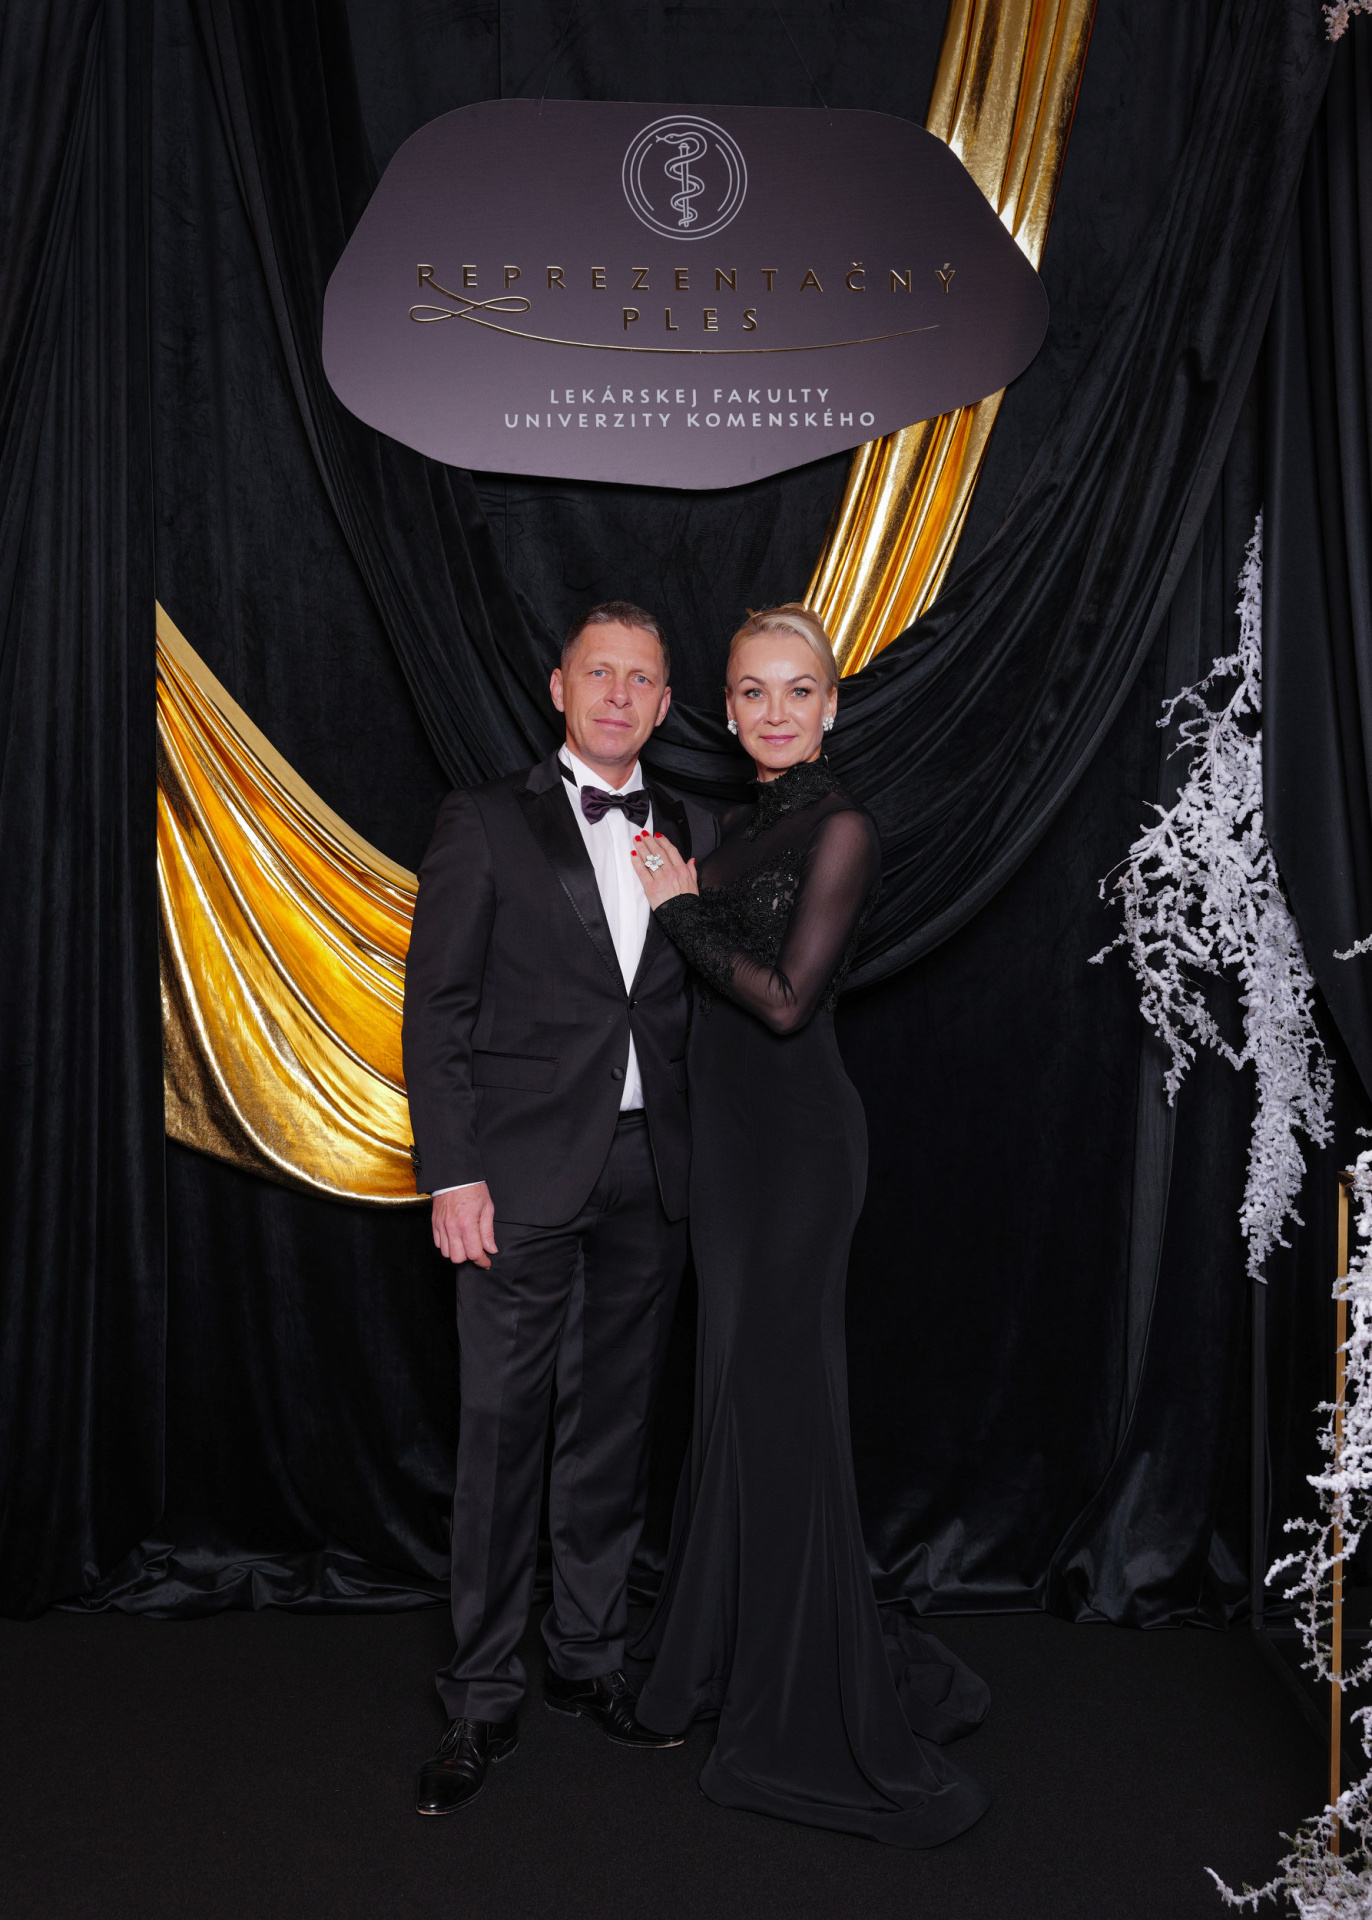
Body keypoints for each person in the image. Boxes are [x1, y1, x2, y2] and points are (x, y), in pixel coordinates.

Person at [626, 603, 991, 1847]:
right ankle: (718, 1657)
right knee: (733, 1398)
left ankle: (800, 1691)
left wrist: (680, 908)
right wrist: (691, 892)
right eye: (752, 692)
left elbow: (785, 1002)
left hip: (798, 1157)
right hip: (731, 1157)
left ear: (831, 706)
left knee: (781, 1411)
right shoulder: (738, 829)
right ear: (727, 711)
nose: (774, 711)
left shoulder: (842, 828)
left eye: (797, 691)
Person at [402, 601, 717, 1817]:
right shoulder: (485, 819)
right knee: (501, 1435)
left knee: (614, 1431)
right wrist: (453, 1170)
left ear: (665, 703)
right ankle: (481, 1696)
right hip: (515, 1179)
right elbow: (438, 1007)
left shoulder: (694, 827)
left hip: (650, 1173)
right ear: (558, 687)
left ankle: (586, 1657)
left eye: (641, 678)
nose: (619, 694)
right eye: (600, 673)